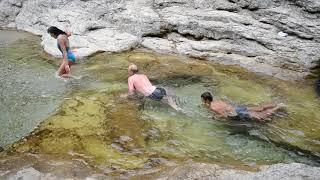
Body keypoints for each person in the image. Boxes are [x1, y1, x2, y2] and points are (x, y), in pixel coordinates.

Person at [200, 92, 285, 121]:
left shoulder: (212, 107)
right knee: (259, 108)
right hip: (237, 107)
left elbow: (223, 115)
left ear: (206, 100)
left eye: (202, 99)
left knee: (261, 117)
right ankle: (276, 104)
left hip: (236, 113)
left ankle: (278, 107)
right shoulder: (218, 100)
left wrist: (213, 118)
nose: (202, 101)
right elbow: (226, 105)